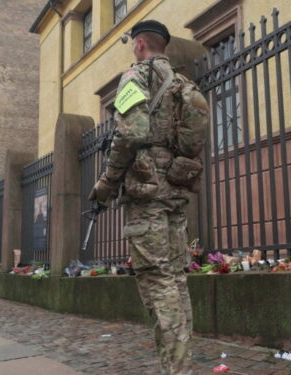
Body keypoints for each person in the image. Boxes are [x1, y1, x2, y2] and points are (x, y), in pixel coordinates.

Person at [89, 20, 208, 375]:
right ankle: (182, 363)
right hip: (175, 190)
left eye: (131, 43)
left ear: (140, 44)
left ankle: (179, 369)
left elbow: (132, 134)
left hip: (147, 192)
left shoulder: (135, 76)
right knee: (175, 277)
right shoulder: (184, 84)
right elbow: (192, 142)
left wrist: (107, 183)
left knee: (157, 281)